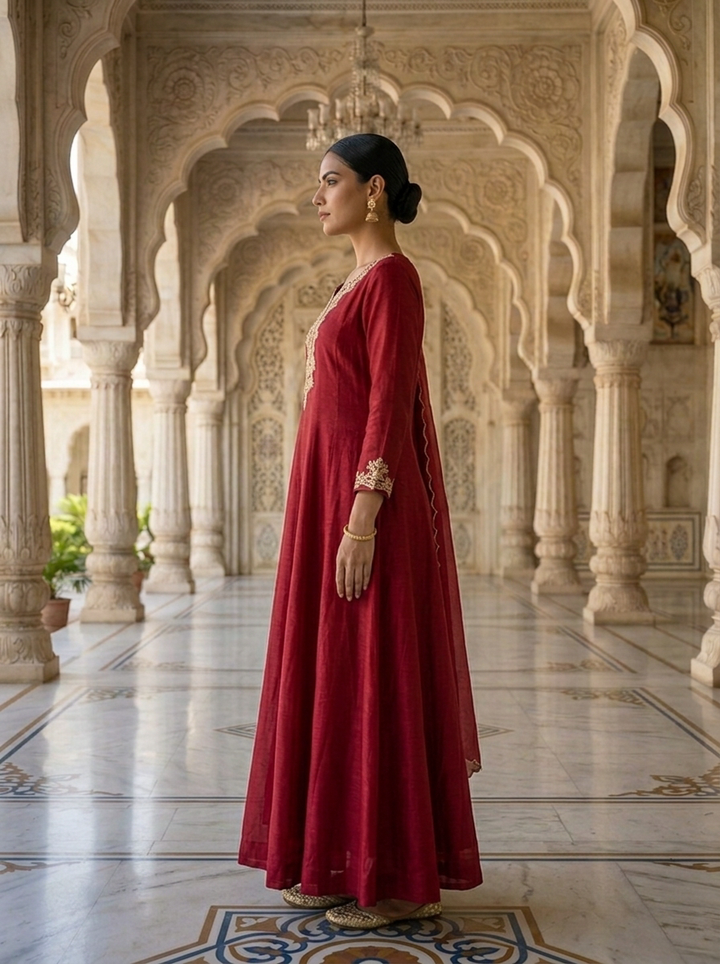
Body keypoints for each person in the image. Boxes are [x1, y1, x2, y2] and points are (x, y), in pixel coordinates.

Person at [238, 133, 482, 930]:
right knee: (339, 677)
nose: (317, 195)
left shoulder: (394, 279)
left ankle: (399, 880)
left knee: (374, 677)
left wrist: (363, 517)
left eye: (329, 181)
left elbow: (388, 401)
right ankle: (339, 858)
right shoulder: (356, 282)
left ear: (373, 189)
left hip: (365, 511)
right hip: (334, 509)